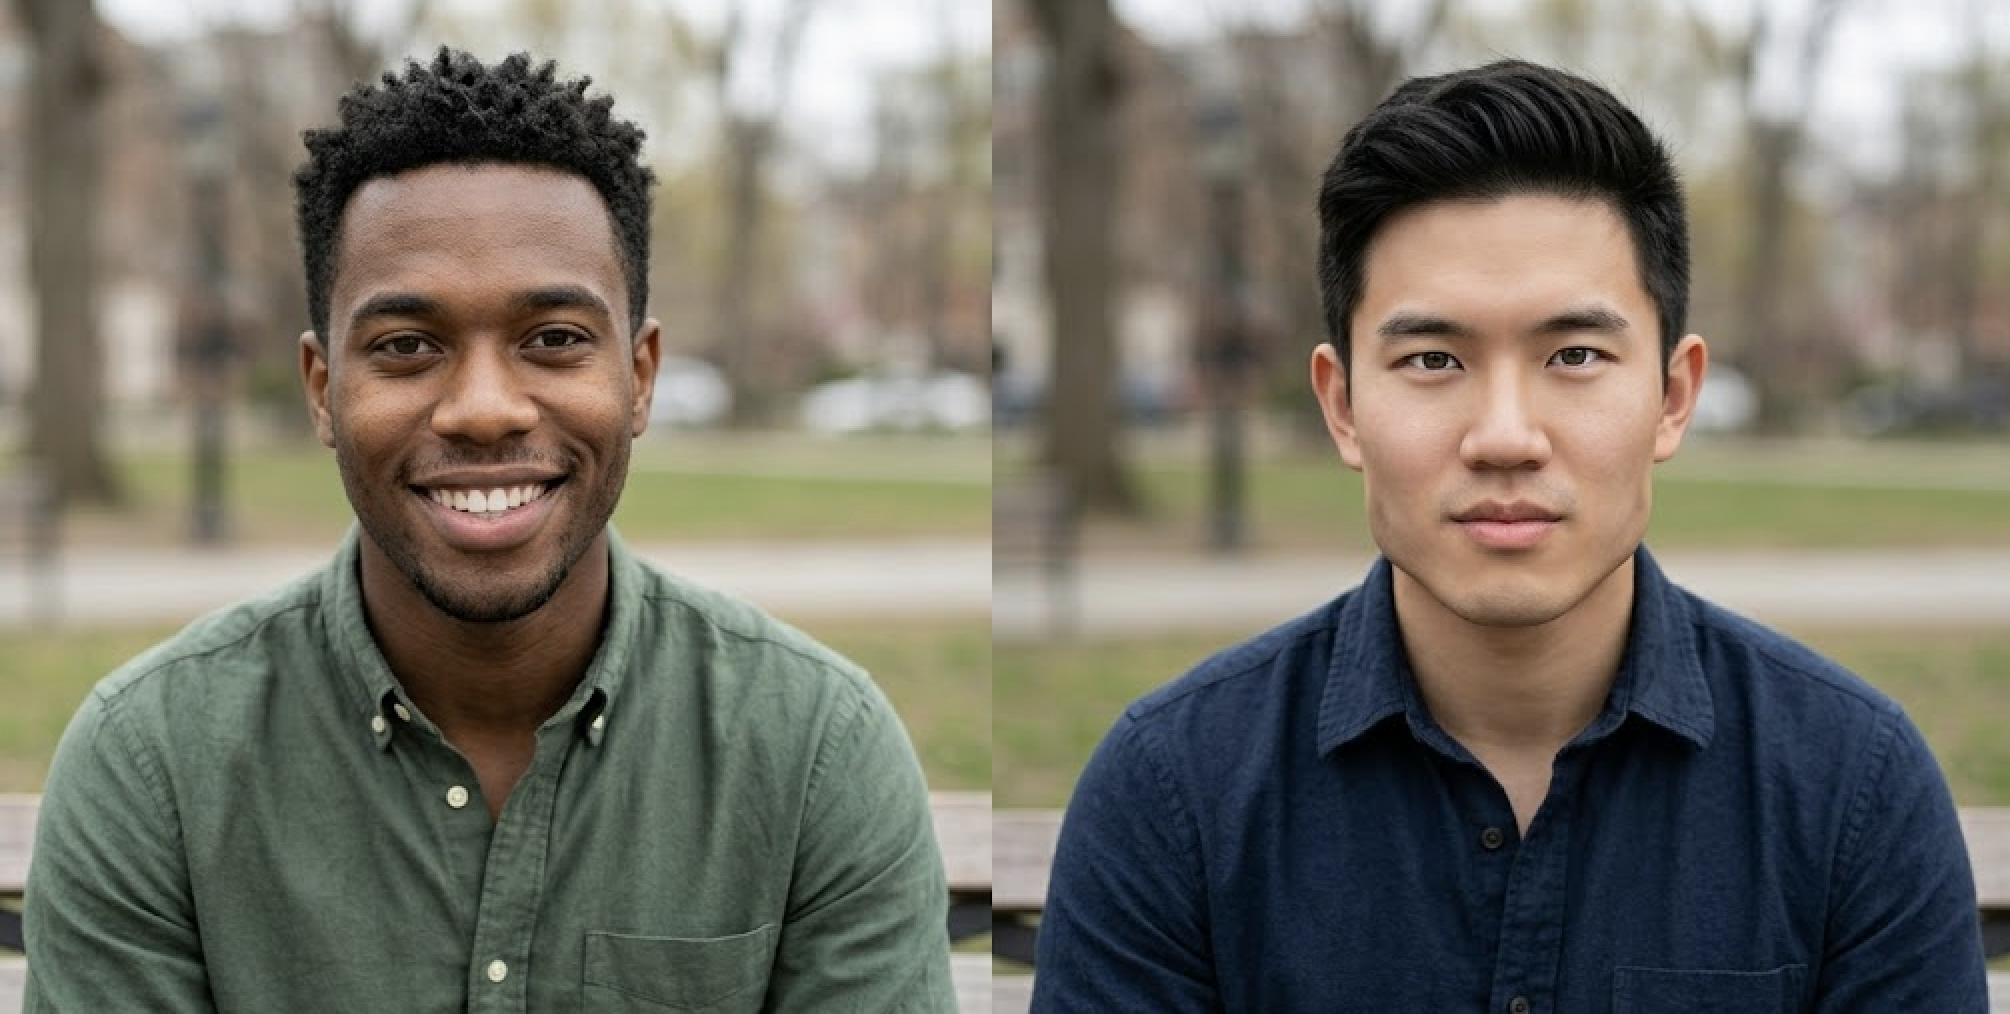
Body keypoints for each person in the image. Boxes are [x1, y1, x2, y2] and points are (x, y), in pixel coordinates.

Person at [1033, 59, 1987, 1012]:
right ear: (1344, 406)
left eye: (1574, 355)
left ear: (1673, 396)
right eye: (1433, 358)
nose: (1503, 438)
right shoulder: (1174, 793)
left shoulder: (1852, 788)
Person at [25, 48, 955, 1012]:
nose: (482, 409)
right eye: (407, 347)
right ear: (322, 390)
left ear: (638, 377)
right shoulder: (155, 763)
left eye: (553, 338)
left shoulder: (813, 751)